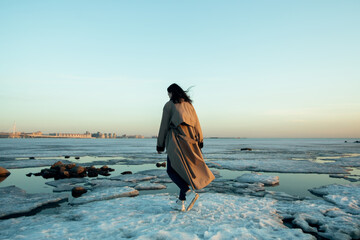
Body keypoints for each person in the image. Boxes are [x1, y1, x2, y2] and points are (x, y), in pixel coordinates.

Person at [157, 83, 215, 212]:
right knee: (183, 172)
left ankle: (187, 191)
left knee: (171, 170)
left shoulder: (169, 105)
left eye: (168, 93)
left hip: (176, 141)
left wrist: (160, 144)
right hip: (190, 141)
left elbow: (164, 126)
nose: (168, 96)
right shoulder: (189, 106)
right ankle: (180, 203)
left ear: (172, 92)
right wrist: (200, 140)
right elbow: (197, 123)